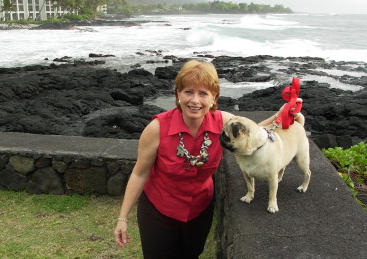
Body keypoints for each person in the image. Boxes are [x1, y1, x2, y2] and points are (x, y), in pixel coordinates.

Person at [113, 60, 282, 259]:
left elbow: (254, 132)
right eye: (188, 92)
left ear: (213, 97)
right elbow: (140, 174)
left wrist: (283, 114)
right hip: (159, 211)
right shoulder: (157, 129)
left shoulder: (224, 121)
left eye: (203, 93)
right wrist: (122, 218)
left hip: (200, 210)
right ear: (177, 94)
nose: (195, 100)